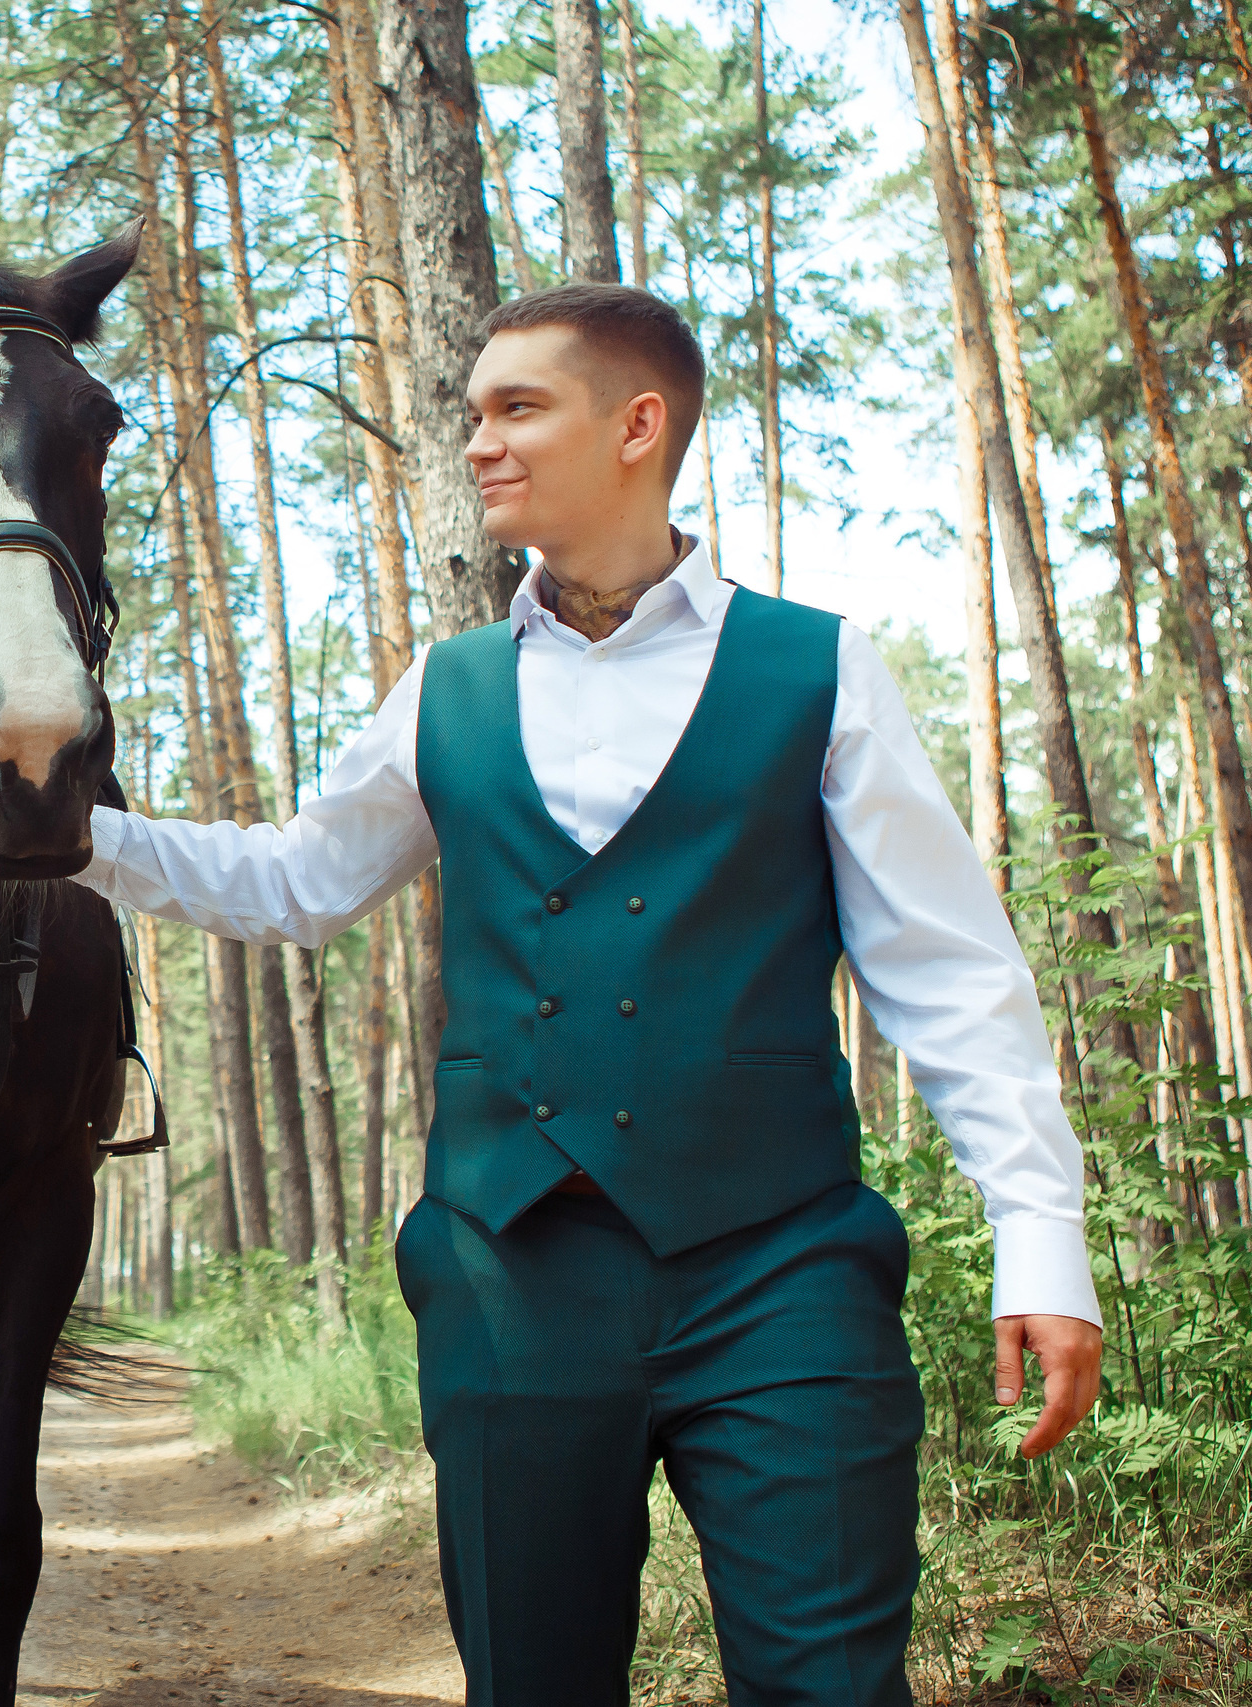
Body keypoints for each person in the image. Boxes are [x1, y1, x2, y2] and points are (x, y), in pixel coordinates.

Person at [75, 283, 1102, 1706]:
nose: (480, 443)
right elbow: (300, 881)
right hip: (511, 1278)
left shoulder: (820, 668)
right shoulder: (446, 687)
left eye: (516, 409)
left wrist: (1040, 1237)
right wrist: (79, 841)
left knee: (832, 1689)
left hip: (785, 1273)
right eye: (473, 414)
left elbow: (950, 972)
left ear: (638, 425)